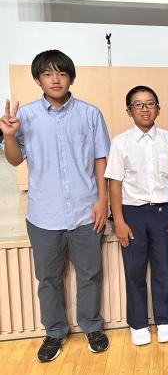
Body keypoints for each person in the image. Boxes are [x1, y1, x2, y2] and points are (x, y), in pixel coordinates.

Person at [0, 50, 110, 362]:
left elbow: (100, 158)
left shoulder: (90, 114)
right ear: (38, 80)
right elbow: (14, 160)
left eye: (61, 73)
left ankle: (92, 326)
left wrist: (102, 200)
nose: (56, 79)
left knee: (90, 274)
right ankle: (54, 332)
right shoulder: (26, 116)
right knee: (48, 278)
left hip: (85, 211)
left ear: (71, 77)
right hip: (43, 214)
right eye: (47, 74)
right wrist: (9, 136)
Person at [105, 86, 168, 346]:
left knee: (163, 268)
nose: (145, 109)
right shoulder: (120, 143)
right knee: (134, 270)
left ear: (158, 109)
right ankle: (138, 323)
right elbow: (114, 183)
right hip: (133, 214)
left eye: (150, 103)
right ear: (129, 111)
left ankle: (164, 320)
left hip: (163, 212)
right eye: (138, 105)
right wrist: (119, 220)